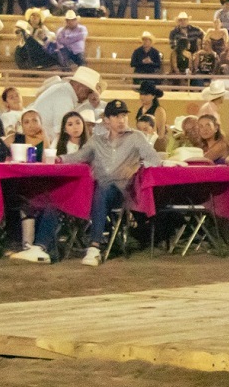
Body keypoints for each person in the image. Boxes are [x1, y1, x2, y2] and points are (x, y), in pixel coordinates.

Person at [48, 99, 162, 267]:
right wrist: (58, 159)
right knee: (61, 193)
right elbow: (79, 157)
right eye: (116, 116)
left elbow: (155, 159)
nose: (121, 119)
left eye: (123, 115)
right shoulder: (97, 140)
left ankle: (94, 246)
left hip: (121, 192)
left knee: (103, 189)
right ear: (107, 120)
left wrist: (138, 167)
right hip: (97, 190)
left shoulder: (136, 137)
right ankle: (44, 245)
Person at [31, 65, 100, 143]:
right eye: (89, 92)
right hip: (40, 144)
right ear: (80, 87)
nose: (88, 97)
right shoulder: (64, 98)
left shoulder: (63, 91)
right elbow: (62, 133)